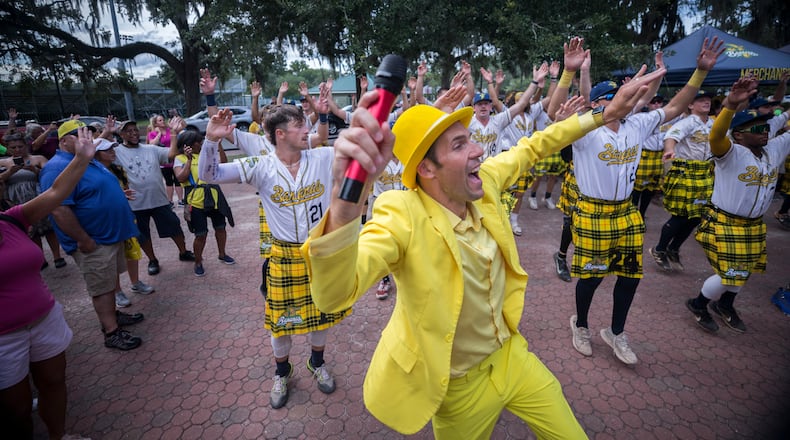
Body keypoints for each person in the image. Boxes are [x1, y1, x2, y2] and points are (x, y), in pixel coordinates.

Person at [299, 36, 665, 438]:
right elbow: (332, 297)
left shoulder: (485, 180)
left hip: (512, 357)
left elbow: (534, 146)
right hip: (457, 387)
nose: (478, 151)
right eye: (460, 144)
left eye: (471, 138)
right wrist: (345, 205)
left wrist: (603, 114)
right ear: (428, 170)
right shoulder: (399, 214)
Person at [567, 37, 723, 365]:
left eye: (620, 98)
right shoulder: (584, 131)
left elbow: (677, 107)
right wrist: (578, 73)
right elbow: (565, 110)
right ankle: (580, 324)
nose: (619, 104)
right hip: (593, 212)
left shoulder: (636, 124)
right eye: (610, 99)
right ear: (597, 105)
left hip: (626, 212)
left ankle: (616, 332)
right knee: (592, 276)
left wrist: (699, 73)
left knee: (630, 275)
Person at [199, 103, 343, 410]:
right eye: (301, 126)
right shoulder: (260, 166)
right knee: (280, 323)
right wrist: (211, 141)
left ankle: (317, 363)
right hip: (283, 257)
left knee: (321, 315)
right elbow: (209, 175)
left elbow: (363, 148)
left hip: (318, 254)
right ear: (280, 134)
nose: (308, 129)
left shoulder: (324, 157)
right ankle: (282, 372)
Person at [0, 125, 95, 440]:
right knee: (16, 408)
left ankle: (59, 436)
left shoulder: (11, 219)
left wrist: (81, 158)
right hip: (3, 338)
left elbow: (55, 193)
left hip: (44, 320)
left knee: (55, 383)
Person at [685, 76, 790, 333]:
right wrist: (730, 105)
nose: (763, 130)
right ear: (740, 134)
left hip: (753, 225)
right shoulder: (730, 152)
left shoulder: (774, 149)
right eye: (755, 128)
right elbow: (717, 134)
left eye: (765, 126)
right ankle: (698, 304)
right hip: (725, 221)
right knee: (729, 273)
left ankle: (725, 305)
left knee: (744, 270)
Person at [40, 120, 145, 351]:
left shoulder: (85, 159)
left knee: (109, 282)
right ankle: (111, 332)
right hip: (93, 241)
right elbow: (58, 208)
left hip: (108, 236)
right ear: (64, 140)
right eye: (80, 135)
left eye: (88, 133)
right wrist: (83, 239)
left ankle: (114, 315)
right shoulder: (57, 167)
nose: (86, 139)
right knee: (101, 288)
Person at [114, 119, 195, 276]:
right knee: (142, 234)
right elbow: (97, 152)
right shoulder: (116, 152)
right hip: (136, 204)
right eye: (128, 131)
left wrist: (173, 133)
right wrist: (107, 132)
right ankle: (152, 260)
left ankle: (183, 251)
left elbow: (171, 154)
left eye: (135, 129)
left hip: (159, 200)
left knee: (174, 225)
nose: (134, 133)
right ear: (121, 134)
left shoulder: (150, 148)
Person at [648, 89, 716, 272]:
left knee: (695, 217)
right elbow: (671, 137)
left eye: (708, 98)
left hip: (704, 173)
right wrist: (669, 151)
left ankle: (674, 248)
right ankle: (659, 248)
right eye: (700, 99)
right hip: (686, 172)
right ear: (690, 105)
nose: (706, 102)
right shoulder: (687, 123)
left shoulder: (714, 123)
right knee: (680, 216)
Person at [92, 139, 156, 307]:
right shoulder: (92, 173)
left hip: (125, 216)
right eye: (107, 150)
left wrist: (122, 195)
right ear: (96, 154)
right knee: (113, 257)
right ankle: (117, 291)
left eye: (113, 149)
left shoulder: (118, 170)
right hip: (107, 221)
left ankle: (136, 283)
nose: (113, 152)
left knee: (132, 251)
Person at [173, 130, 235, 277]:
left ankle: (222, 254)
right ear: (189, 144)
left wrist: (218, 146)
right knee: (201, 234)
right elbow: (181, 178)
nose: (201, 142)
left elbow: (224, 164)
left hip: (214, 197)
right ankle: (198, 261)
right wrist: (188, 160)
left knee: (220, 227)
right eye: (198, 141)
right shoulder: (180, 158)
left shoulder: (206, 154)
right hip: (195, 201)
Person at [0, 130, 66, 269]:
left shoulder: (38, 158)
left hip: (37, 195)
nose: (17, 150)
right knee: (31, 229)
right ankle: (40, 257)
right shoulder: (4, 162)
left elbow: (51, 174)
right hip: (16, 199)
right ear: (8, 148)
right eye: (13, 147)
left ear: (26, 145)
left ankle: (57, 255)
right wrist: (10, 172)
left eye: (20, 146)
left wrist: (34, 171)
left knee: (48, 227)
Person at [147, 113, 184, 206]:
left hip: (175, 159)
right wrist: (159, 133)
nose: (162, 121)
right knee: (169, 182)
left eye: (163, 119)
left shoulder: (170, 130)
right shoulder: (152, 133)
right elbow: (152, 144)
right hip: (164, 162)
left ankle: (180, 200)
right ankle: (170, 201)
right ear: (155, 124)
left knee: (178, 180)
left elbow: (181, 130)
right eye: (160, 120)